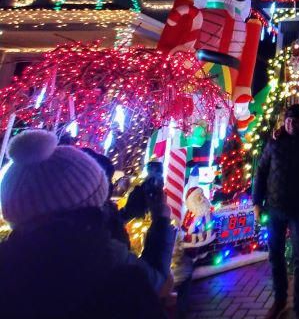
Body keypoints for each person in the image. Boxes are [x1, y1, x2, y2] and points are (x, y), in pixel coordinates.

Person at [0, 129, 176, 319]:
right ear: (91, 199)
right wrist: (161, 221)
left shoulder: (9, 263)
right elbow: (157, 283)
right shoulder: (103, 255)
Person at [253, 103, 299, 319]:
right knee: (275, 255)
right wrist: (256, 203)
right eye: (287, 119)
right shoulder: (274, 142)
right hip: (275, 208)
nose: (290, 123)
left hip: (298, 209)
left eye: (295, 120)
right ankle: (279, 299)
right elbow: (260, 172)